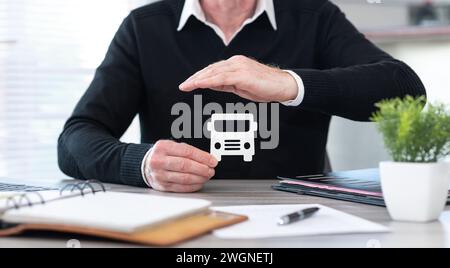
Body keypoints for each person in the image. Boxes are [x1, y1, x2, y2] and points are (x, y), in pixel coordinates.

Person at [58, 0, 426, 193]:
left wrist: (288, 83)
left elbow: (404, 88)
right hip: (176, 222)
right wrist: (139, 164)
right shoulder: (144, 26)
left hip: (297, 224)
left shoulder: (315, 17)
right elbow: (75, 139)